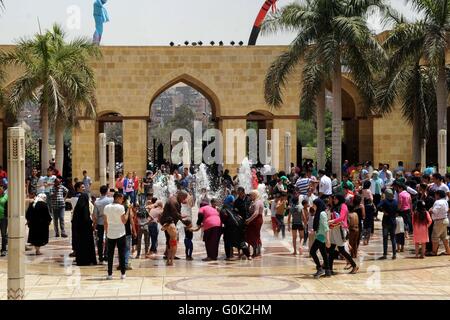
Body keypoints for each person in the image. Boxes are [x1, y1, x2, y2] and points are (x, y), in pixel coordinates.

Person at [328, 194, 358, 274]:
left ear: (339, 199)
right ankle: (329, 270)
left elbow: (341, 218)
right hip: (334, 229)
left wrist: (332, 221)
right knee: (331, 249)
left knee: (341, 249)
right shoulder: (335, 207)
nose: (334, 200)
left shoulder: (343, 206)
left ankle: (354, 265)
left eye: (335, 199)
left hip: (341, 230)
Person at [220, 195, 251, 261]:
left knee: (227, 241)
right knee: (241, 242)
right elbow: (239, 216)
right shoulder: (233, 208)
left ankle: (228, 256)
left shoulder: (223, 209)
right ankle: (249, 256)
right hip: (239, 225)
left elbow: (224, 216)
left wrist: (224, 222)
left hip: (230, 227)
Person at [104, 193, 127, 280]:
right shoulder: (121, 207)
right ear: (118, 198)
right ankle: (123, 273)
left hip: (110, 233)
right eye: (122, 199)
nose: (123, 200)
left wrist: (106, 232)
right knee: (121, 254)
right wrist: (128, 212)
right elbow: (124, 221)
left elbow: (105, 222)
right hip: (120, 233)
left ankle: (110, 274)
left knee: (110, 254)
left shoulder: (107, 207)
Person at [72, 193, 97, 266]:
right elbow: (86, 219)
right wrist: (92, 224)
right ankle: (88, 260)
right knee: (87, 246)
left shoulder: (77, 208)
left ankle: (81, 260)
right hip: (86, 231)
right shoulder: (85, 208)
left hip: (79, 232)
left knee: (80, 246)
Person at [309, 198, 331, 278]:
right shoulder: (319, 213)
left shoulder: (322, 214)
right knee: (323, 253)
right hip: (320, 235)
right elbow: (320, 226)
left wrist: (328, 240)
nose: (313, 206)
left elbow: (326, 228)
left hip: (321, 237)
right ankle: (328, 270)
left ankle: (319, 268)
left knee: (312, 251)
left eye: (314, 204)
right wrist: (314, 230)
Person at [93, 185, 113, 263]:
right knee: (108, 239)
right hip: (109, 221)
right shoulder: (110, 200)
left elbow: (95, 215)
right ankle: (106, 254)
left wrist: (94, 225)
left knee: (100, 240)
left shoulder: (97, 202)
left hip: (100, 222)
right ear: (107, 191)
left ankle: (100, 256)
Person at [377, 189, 398, 260]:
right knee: (393, 238)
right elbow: (398, 210)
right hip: (393, 221)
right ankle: (394, 254)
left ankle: (385, 254)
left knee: (385, 238)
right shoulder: (395, 201)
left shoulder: (384, 201)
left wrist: (383, 211)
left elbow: (378, 206)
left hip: (386, 222)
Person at [429, 190, 450, 256]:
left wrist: (430, 210)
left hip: (439, 221)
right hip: (445, 220)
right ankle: (448, 251)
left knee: (434, 237)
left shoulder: (438, 202)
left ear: (438, 195)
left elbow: (435, 211)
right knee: (444, 237)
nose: (435, 196)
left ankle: (434, 252)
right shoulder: (445, 201)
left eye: (435, 194)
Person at [246, 190, 264, 258]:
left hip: (256, 220)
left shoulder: (257, 202)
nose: (250, 196)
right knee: (256, 235)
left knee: (255, 236)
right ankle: (257, 252)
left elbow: (256, 213)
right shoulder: (256, 201)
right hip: (256, 219)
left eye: (251, 195)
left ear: (254, 195)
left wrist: (249, 220)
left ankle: (257, 252)